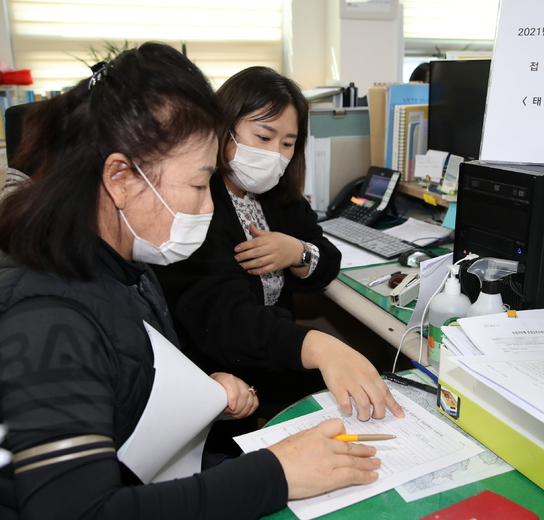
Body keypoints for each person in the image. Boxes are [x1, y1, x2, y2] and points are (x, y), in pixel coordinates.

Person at [0, 43, 381, 520]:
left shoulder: (120, 265)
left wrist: (201, 392)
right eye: (200, 183)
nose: (208, 205)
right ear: (120, 179)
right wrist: (275, 472)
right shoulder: (47, 317)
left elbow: (127, 377)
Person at [152, 66, 405, 424]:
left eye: (287, 144)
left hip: (277, 359)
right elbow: (226, 319)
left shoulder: (275, 197)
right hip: (221, 373)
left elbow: (327, 261)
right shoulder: (198, 202)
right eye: (263, 137)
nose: (275, 154)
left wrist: (296, 252)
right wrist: (319, 346)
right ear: (225, 129)